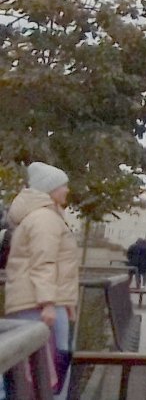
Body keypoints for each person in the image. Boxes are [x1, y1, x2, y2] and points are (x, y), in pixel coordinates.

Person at [4, 162, 80, 400]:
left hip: (39, 301)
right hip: (39, 303)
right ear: (50, 188)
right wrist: (48, 303)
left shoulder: (45, 216)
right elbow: (44, 261)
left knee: (43, 367)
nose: (67, 190)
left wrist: (66, 302)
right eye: (63, 185)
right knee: (51, 368)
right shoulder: (45, 219)